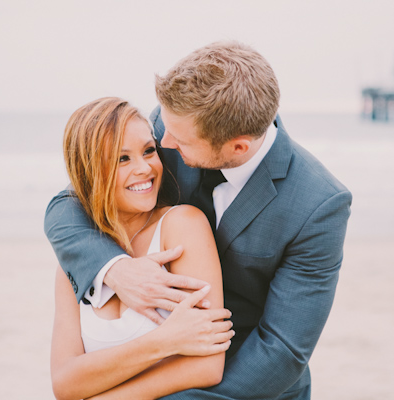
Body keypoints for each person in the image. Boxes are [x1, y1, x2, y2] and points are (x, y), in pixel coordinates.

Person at [45, 41, 352, 399]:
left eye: (177, 140)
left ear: (237, 147)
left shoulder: (319, 205)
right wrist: (113, 268)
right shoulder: (175, 122)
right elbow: (75, 199)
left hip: (244, 385)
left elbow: (281, 352)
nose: (163, 142)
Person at [49, 97, 234, 400]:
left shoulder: (182, 226)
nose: (144, 168)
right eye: (123, 159)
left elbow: (207, 366)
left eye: (149, 151)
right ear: (90, 171)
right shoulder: (76, 261)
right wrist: (163, 342)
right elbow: (65, 383)